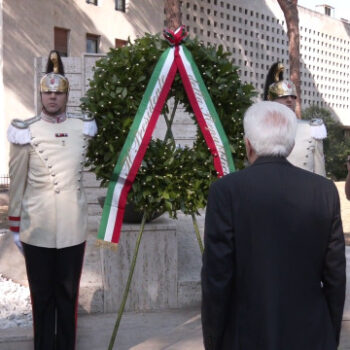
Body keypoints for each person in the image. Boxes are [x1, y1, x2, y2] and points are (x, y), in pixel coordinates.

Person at [201, 101, 345, 350]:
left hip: (245, 336)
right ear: (290, 145)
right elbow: (335, 276)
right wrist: (330, 335)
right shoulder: (324, 191)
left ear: (248, 144)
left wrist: (213, 341)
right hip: (311, 334)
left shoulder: (226, 191)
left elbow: (217, 278)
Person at [7, 50, 97, 350]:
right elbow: (17, 180)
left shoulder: (83, 127)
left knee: (68, 298)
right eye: (48, 93)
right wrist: (15, 225)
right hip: (38, 230)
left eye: (58, 93)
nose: (53, 98)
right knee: (42, 298)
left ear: (66, 95)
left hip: (72, 229)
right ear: (41, 94)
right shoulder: (25, 131)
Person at [264, 62, 327, 176]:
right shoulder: (260, 128)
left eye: (293, 97)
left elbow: (320, 172)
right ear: (271, 101)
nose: (290, 100)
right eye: (283, 97)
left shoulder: (312, 128)